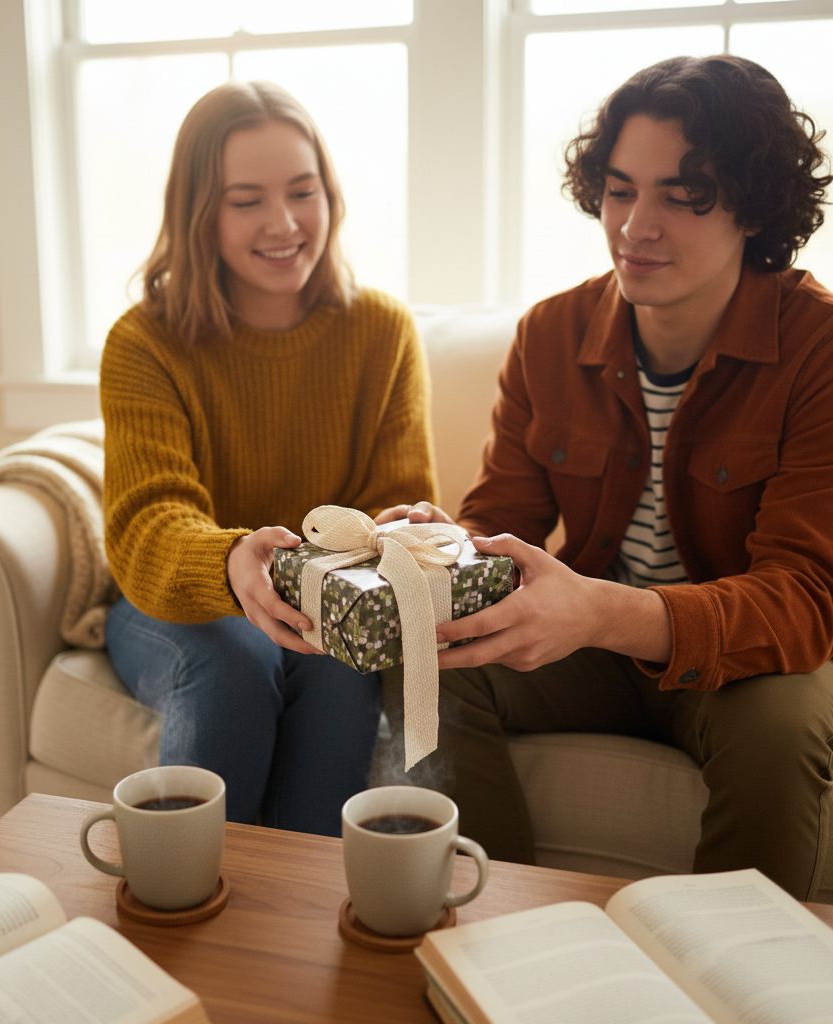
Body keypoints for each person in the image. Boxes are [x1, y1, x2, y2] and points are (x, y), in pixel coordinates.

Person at [381, 54, 833, 900]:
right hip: (589, 642)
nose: (636, 225)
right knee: (429, 650)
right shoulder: (551, 334)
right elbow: (499, 523)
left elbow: (803, 599)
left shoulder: (819, 349)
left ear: (753, 205)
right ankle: (496, 929)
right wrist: (442, 544)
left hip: (747, 662)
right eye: (621, 190)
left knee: (781, 728)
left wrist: (603, 611)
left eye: (683, 195)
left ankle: (735, 973)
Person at [99, 81, 437, 838]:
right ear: (200, 214)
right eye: (245, 200)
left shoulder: (382, 332)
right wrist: (233, 564)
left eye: (302, 192)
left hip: (327, 595)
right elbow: (148, 522)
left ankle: (306, 919)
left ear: (331, 197)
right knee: (234, 665)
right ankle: (179, 905)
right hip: (175, 600)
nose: (283, 224)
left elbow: (399, 497)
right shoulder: (144, 342)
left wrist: (410, 532)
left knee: (343, 667)